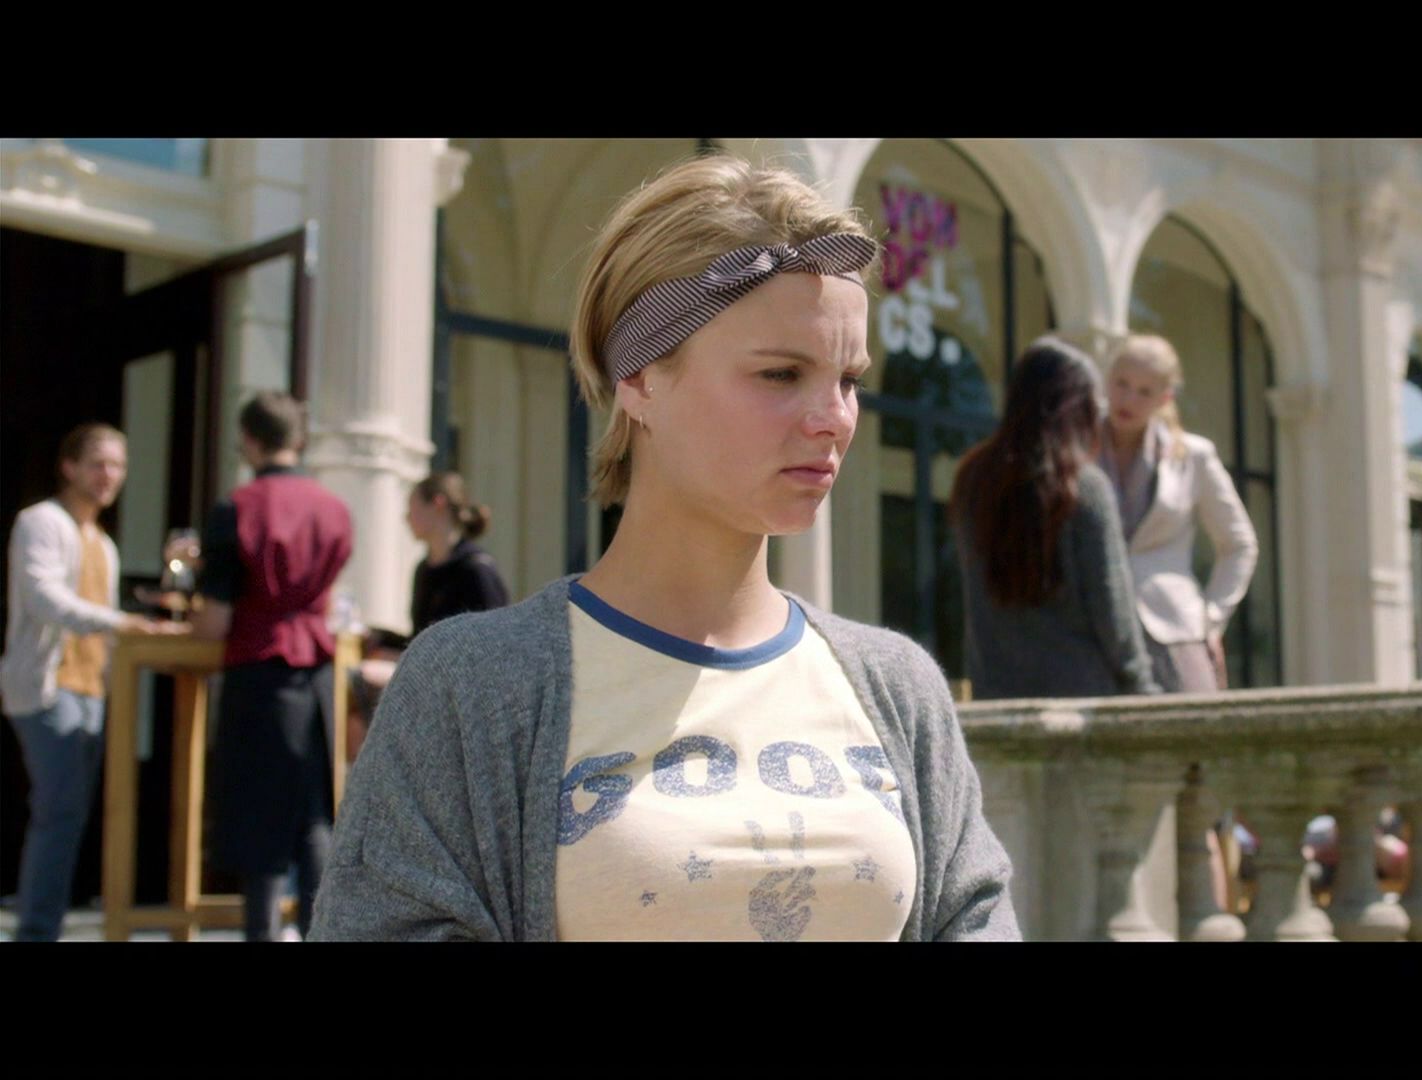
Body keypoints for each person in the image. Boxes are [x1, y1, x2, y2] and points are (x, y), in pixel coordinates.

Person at [310, 154, 1016, 942]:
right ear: (640, 378)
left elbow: (976, 917)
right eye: (781, 373)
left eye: (848, 379)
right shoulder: (471, 687)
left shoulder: (896, 687)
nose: (834, 418)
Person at [3, 424, 183, 941]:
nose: (109, 475)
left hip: (92, 691)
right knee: (59, 811)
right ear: (69, 467)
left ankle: (45, 921)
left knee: (69, 814)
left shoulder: (103, 543)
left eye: (118, 465)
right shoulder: (40, 522)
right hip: (47, 686)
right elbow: (45, 599)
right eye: (98, 463)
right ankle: (37, 929)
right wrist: (123, 623)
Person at [189, 392, 354, 942]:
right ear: (299, 440)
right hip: (318, 672)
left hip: (259, 670)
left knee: (258, 817)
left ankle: (259, 934)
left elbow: (214, 621)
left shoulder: (237, 507)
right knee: (312, 814)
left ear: (249, 440)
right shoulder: (334, 509)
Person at [951, 337, 1160, 700]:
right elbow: (1112, 609)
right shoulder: (1084, 487)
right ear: (1078, 410)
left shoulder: (973, 478)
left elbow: (973, 601)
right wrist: (1142, 687)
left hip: (996, 696)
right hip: (1083, 702)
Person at [1096, 334, 1257, 692]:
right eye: (1122, 383)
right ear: (1107, 379)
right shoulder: (1075, 447)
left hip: (1172, 628)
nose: (1128, 399)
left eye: (1145, 391)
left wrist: (1212, 618)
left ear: (1165, 398)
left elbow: (1239, 544)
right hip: (1090, 632)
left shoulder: (1195, 456)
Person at [346, 472, 510, 758]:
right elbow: (421, 637)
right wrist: (379, 637)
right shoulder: (424, 570)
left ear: (438, 504)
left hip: (461, 701)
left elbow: (495, 651)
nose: (406, 518)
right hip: (429, 684)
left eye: (412, 508)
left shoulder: (477, 570)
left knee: (365, 683)